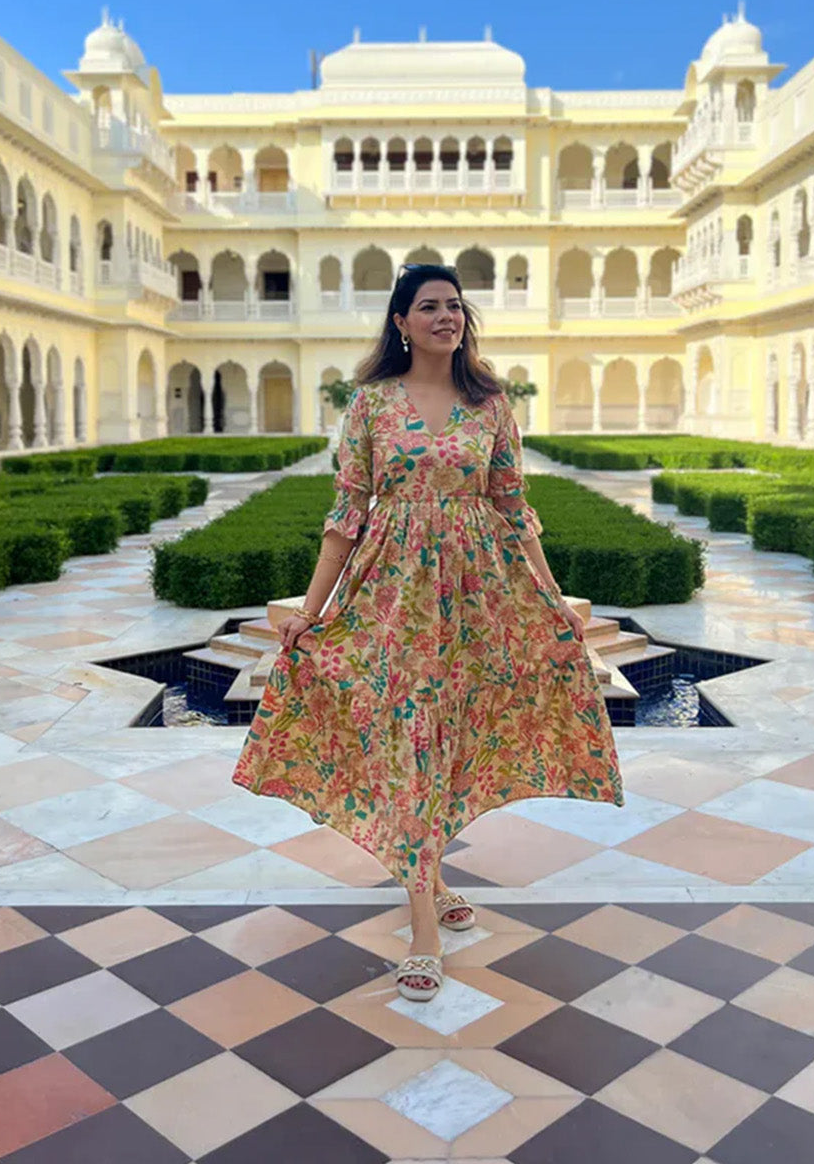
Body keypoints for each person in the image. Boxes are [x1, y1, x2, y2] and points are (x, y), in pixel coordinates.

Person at [234, 263, 623, 1000]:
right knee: (410, 735)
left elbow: (514, 507)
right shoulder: (373, 405)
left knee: (452, 733)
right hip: (393, 597)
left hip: (478, 597)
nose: (446, 316)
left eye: (454, 306)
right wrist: (313, 614)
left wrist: (552, 601)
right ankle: (422, 926)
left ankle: (430, 872)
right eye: (429, 307)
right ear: (402, 323)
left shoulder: (490, 403)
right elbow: (346, 513)